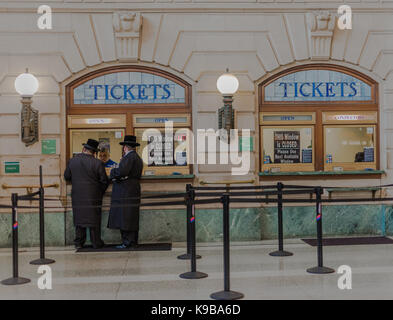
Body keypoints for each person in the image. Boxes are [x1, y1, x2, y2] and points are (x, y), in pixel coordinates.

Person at [64, 139, 109, 249]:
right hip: (94, 196)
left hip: (78, 195)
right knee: (94, 220)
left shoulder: (73, 161)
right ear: (94, 152)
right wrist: (99, 192)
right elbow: (104, 181)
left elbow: (66, 177)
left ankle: (79, 243)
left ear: (84, 149)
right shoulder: (98, 163)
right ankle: (96, 242)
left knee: (79, 219)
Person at [108, 135, 143, 248]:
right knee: (131, 216)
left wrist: (113, 172)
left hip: (125, 191)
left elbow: (122, 172)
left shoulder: (129, 157)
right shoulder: (136, 157)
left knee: (125, 217)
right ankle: (132, 241)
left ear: (125, 147)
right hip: (132, 189)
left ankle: (127, 242)